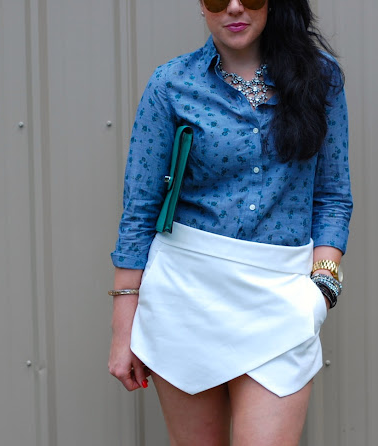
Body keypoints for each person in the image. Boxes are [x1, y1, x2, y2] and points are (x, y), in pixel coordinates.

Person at [108, 0, 352, 444]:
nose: (234, 8)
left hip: (280, 299)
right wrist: (124, 328)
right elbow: (140, 209)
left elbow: (333, 195)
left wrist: (321, 290)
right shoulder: (171, 84)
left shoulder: (321, 78)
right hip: (185, 298)